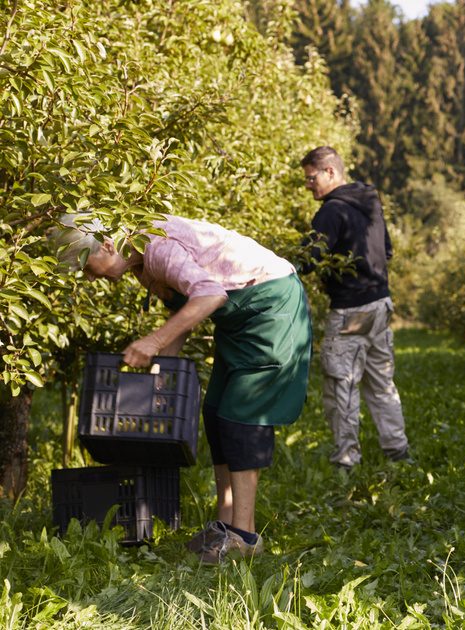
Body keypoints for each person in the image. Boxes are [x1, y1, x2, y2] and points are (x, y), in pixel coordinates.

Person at [54, 213, 312, 566]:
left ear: (108, 245)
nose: (89, 275)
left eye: (87, 265)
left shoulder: (156, 248)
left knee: (241, 415)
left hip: (270, 307)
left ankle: (246, 536)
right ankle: (227, 522)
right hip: (242, 318)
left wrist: (154, 341)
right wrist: (163, 372)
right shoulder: (141, 263)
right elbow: (187, 313)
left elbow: (208, 297)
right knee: (215, 410)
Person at [298, 146, 411, 468]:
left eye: (311, 178)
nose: (308, 186)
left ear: (330, 172)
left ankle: (346, 462)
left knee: (341, 384)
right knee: (380, 380)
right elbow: (386, 251)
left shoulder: (332, 211)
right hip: (381, 304)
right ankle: (398, 452)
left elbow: (308, 259)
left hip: (351, 311)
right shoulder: (371, 203)